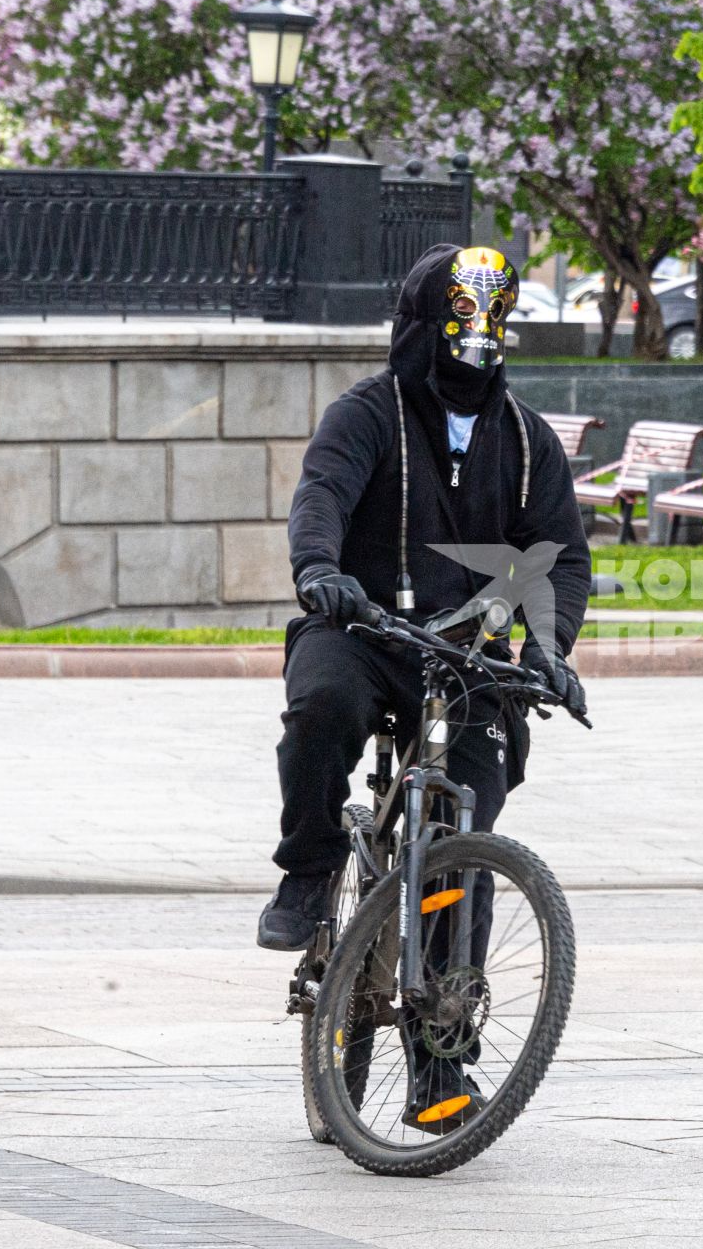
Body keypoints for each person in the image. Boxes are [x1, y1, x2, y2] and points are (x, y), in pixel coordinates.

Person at [257, 241, 591, 953]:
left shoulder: (530, 442)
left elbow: (558, 559)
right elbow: (323, 496)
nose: (482, 331)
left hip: (469, 654)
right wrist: (319, 570)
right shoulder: (367, 413)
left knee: (465, 832)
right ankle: (311, 869)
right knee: (322, 708)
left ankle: (444, 1038)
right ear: (426, 318)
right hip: (361, 628)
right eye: (466, 311)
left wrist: (550, 647)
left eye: (498, 313)